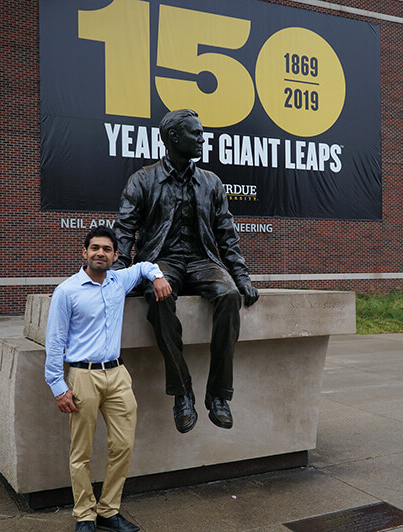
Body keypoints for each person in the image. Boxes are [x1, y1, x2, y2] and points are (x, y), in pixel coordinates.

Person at [113, 109, 259, 434]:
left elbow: (226, 235)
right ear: (174, 138)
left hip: (202, 260)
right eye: (196, 133)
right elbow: (124, 232)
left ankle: (219, 395)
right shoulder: (142, 180)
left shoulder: (211, 182)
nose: (202, 138)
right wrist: (116, 280)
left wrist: (242, 278)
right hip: (161, 260)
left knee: (230, 296)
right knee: (158, 297)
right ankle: (182, 392)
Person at [45, 226, 172, 532]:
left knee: (123, 445)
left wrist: (157, 276)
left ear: (116, 256)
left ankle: (108, 510)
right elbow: (54, 341)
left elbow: (142, 266)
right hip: (82, 376)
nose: (100, 253)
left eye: (106, 249)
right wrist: (57, 385)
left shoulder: (119, 279)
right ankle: (85, 515)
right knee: (82, 451)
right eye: (94, 248)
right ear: (84, 253)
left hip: (117, 375)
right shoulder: (67, 291)